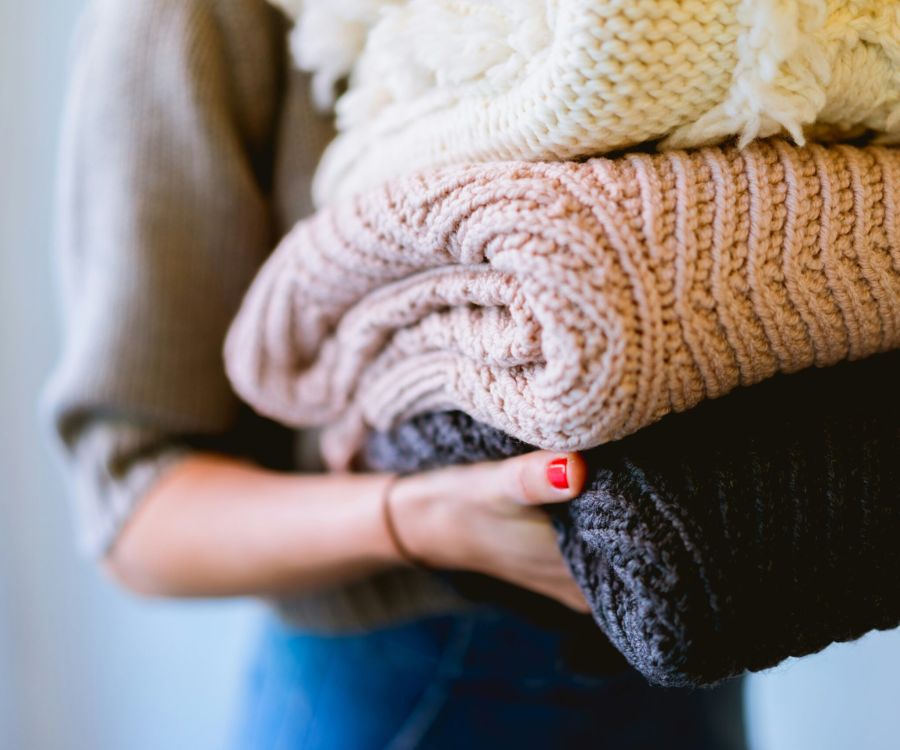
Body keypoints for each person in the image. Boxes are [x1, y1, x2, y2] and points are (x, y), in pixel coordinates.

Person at [44, 0, 745, 747]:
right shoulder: (188, 18)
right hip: (419, 677)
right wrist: (415, 519)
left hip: (691, 635)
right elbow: (135, 510)